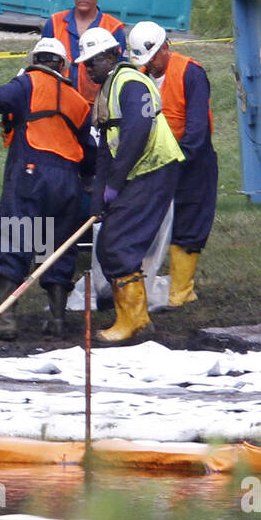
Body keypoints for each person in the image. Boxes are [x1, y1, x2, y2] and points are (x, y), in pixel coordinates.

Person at [0, 37, 95, 340]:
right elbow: (90, 150)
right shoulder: (78, 101)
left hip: (32, 173)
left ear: (34, 61)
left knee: (15, 238)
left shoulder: (27, 84)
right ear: (63, 65)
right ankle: (56, 319)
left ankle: (5, 320)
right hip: (68, 180)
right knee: (57, 248)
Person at [76, 27, 183, 342]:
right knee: (110, 242)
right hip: (137, 173)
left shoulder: (131, 83)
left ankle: (134, 321)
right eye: (85, 63)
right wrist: (99, 200)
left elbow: (136, 135)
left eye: (93, 61)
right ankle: (133, 318)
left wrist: (116, 183)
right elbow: (105, 150)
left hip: (154, 169)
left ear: (111, 56)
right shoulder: (108, 90)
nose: (88, 68)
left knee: (118, 243)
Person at [126, 21, 218, 307]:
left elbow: (197, 127)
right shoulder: (139, 79)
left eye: (153, 58)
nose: (150, 65)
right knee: (148, 222)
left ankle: (180, 291)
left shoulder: (191, 73)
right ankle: (141, 282)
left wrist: (179, 158)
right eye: (145, 61)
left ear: (165, 48)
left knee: (191, 220)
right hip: (155, 164)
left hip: (193, 161)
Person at [42, 0, 127, 104]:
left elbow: (121, 74)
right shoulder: (54, 23)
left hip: (96, 107)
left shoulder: (113, 28)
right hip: (59, 105)